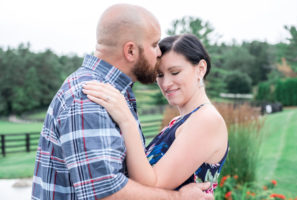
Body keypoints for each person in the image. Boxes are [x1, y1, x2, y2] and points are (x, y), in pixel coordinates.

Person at [31, 4, 214, 200]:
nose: (159, 52)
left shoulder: (109, 93)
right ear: (131, 51)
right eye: (153, 44)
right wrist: (177, 198)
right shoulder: (89, 97)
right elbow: (107, 193)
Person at [82, 34, 228, 193]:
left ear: (201, 69)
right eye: (159, 75)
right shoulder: (180, 121)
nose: (166, 83)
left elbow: (153, 184)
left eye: (175, 72)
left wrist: (127, 121)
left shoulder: (206, 120)